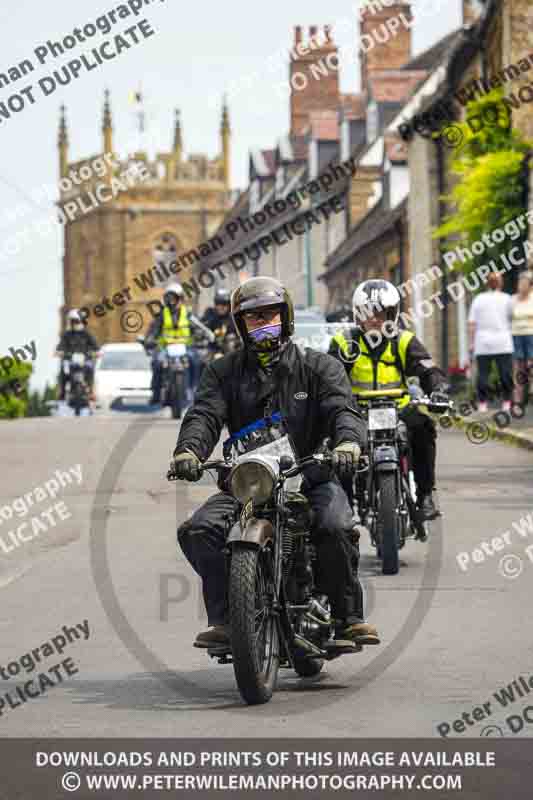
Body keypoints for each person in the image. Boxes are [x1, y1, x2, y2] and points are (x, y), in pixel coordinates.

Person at [172, 276, 379, 650]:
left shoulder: (320, 368)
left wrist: (349, 443)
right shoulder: (222, 373)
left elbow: (343, 411)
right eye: (253, 318)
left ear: (285, 318)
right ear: (241, 325)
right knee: (200, 529)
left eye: (269, 315)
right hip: (249, 482)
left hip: (309, 475)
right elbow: (203, 415)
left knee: (334, 526)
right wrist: (189, 451)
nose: (262, 323)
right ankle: (224, 618)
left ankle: (348, 616)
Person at [329, 279, 449, 521]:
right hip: (358, 412)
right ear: (357, 315)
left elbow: (428, 369)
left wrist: (438, 389)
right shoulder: (344, 342)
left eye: (381, 314)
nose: (374, 319)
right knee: (337, 442)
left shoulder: (403, 341)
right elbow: (328, 377)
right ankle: (343, 502)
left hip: (398, 409)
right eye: (368, 313)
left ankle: (425, 495)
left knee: (424, 426)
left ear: (392, 315)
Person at [144, 283, 204, 403]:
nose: (172, 301)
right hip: (166, 348)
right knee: (157, 362)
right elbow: (154, 329)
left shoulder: (188, 313)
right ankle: (156, 392)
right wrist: (150, 339)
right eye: (169, 298)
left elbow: (197, 327)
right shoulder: (162, 314)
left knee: (196, 362)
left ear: (180, 298)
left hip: (186, 347)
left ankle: (196, 391)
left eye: (174, 298)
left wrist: (199, 335)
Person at [467, 272, 513, 413]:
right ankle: (506, 402)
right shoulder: (507, 299)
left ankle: (482, 404)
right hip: (503, 342)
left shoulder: (478, 299)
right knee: (505, 374)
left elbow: (472, 324)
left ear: (487, 283)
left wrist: (471, 343)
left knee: (483, 375)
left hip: (483, 343)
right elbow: (512, 319)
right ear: (501, 283)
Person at [55, 310, 99, 401]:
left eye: (77, 321)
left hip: (85, 360)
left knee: (91, 369)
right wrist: (59, 351)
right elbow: (61, 345)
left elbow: (95, 346)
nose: (75, 323)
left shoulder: (87, 334)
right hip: (70, 360)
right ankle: (62, 392)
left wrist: (96, 352)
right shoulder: (67, 335)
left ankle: (91, 391)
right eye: (73, 321)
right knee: (63, 370)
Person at [511, 272, 533, 407]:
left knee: (531, 365)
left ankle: (531, 392)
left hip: (531, 335)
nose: (522, 286)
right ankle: (517, 398)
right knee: (518, 367)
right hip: (515, 335)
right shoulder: (512, 300)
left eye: (525, 283)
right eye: (520, 283)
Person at [201, 287, 237, 356]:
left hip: (231, 353)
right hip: (213, 351)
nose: (221, 307)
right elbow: (202, 327)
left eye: (224, 304)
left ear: (229, 305)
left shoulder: (234, 318)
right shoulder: (210, 316)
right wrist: (200, 332)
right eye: (218, 303)